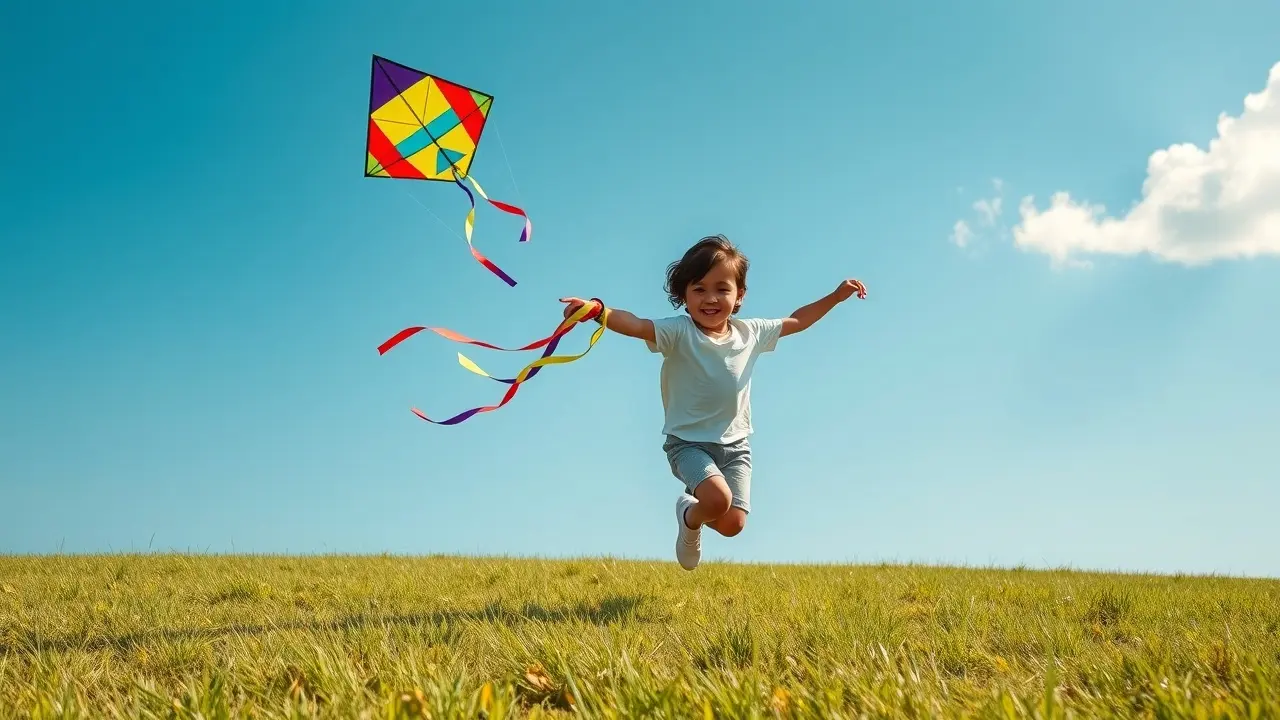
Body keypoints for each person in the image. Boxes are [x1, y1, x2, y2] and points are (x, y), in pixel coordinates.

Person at [559, 234, 867, 570]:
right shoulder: (678, 332)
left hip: (736, 446)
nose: (710, 298)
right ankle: (692, 517)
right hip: (687, 444)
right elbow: (635, 325)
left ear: (739, 296)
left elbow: (798, 320)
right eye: (699, 289)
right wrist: (599, 311)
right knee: (718, 499)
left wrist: (836, 297)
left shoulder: (752, 332)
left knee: (733, 524)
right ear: (684, 295)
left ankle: (690, 516)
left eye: (722, 288)